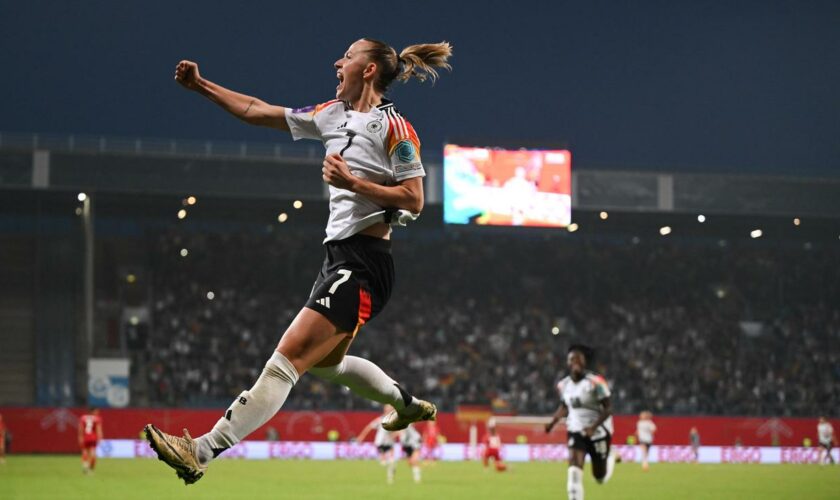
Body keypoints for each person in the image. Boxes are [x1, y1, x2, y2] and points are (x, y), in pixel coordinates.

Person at [145, 38, 453, 485]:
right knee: (329, 366)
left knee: (286, 360)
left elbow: (415, 198)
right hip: (337, 259)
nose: (337, 61)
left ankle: (202, 449)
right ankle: (404, 405)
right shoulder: (331, 114)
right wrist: (201, 86)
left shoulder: (395, 128)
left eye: (347, 56)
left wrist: (353, 181)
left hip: (365, 263)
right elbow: (258, 110)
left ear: (368, 70)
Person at [545, 345, 615, 500]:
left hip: (599, 432)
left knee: (599, 477)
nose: (575, 361)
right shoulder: (563, 385)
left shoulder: (596, 383)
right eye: (572, 359)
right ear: (568, 362)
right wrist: (552, 422)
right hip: (576, 430)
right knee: (574, 472)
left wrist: (593, 427)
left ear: (584, 362)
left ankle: (609, 458)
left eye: (579, 358)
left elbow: (608, 408)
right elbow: (564, 406)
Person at [78, 408, 103, 474]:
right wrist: (100, 438)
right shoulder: (97, 419)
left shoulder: (83, 418)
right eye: (97, 411)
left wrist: (80, 437)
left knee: (85, 451)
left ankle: (85, 465)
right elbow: (98, 429)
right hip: (93, 438)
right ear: (92, 411)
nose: (98, 412)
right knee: (93, 453)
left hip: (85, 437)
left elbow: (81, 429)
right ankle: (91, 469)